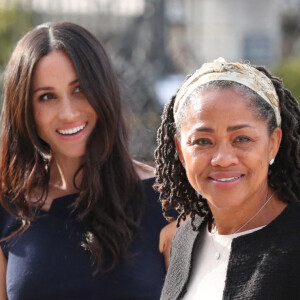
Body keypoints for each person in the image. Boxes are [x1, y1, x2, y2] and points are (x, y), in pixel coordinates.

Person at [0, 22, 175, 300]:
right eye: (47, 97)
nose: (68, 113)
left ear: (103, 90)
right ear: (25, 110)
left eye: (79, 89)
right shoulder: (9, 205)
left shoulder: (166, 200)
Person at [154, 57, 300, 300]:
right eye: (202, 141)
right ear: (181, 151)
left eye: (242, 139)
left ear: (273, 144)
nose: (222, 159)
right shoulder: (185, 240)